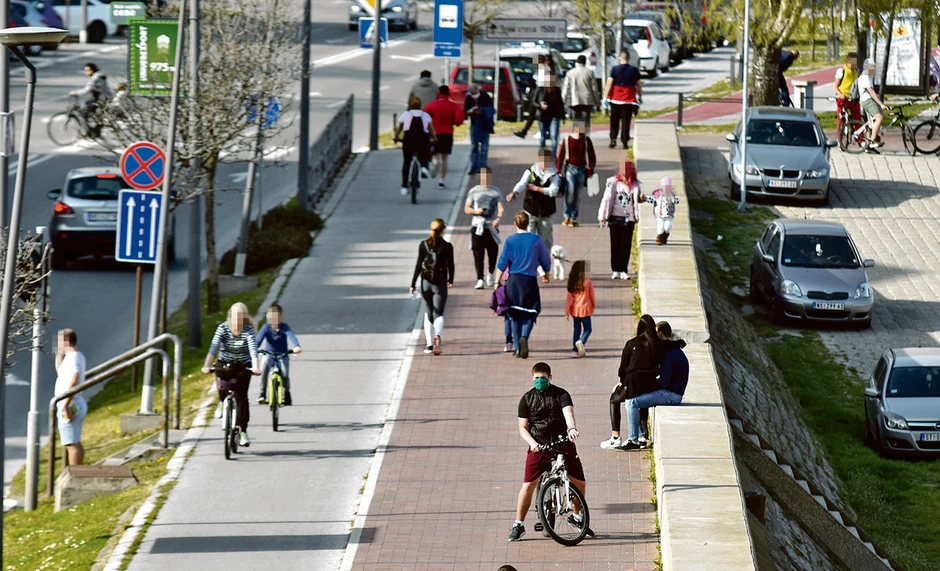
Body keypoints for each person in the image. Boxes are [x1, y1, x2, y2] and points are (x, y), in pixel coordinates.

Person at [509, 362, 593, 541]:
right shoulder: (526, 399)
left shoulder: (561, 394)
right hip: (539, 444)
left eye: (543, 378)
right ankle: (518, 524)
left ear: (550, 377)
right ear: (532, 378)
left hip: (562, 442)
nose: (540, 381)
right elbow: (523, 427)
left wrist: (571, 429)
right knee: (528, 485)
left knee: (580, 483)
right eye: (536, 378)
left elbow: (568, 413)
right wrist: (532, 443)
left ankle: (577, 516)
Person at [601, 315, 685, 450]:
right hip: (649, 383)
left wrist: (622, 382)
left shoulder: (631, 344)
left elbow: (622, 369)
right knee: (642, 399)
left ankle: (616, 437)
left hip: (633, 382)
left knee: (614, 399)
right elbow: (674, 343)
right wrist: (680, 343)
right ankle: (643, 434)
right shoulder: (658, 345)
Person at [623, 321, 689, 448]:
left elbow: (664, 382)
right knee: (636, 396)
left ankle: (633, 440)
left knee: (631, 402)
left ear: (659, 333)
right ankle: (641, 435)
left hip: (672, 394)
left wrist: (649, 385)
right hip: (674, 392)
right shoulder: (673, 350)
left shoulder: (669, 354)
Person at [494, 211, 551, 359]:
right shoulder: (536, 240)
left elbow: (502, 263)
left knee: (514, 315)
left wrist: (497, 282)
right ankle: (524, 336)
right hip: (529, 281)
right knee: (530, 313)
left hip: (513, 281)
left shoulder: (510, 240)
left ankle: (518, 348)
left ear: (515, 224)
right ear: (528, 223)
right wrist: (546, 273)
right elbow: (545, 261)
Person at [203, 302, 261, 447]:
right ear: (230, 317)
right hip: (226, 362)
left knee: (242, 397)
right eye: (235, 317)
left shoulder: (248, 330)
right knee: (221, 379)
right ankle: (222, 401)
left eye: (240, 317)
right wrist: (206, 366)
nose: (237, 320)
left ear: (244, 318)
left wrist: (256, 367)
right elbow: (213, 348)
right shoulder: (222, 328)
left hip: (243, 365)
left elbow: (253, 351)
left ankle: (242, 431)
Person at [507, 148, 561, 273]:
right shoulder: (530, 171)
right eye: (543, 161)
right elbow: (521, 183)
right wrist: (514, 192)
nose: (545, 163)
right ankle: (530, 265)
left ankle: (543, 266)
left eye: (547, 161)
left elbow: (553, 191)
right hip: (531, 210)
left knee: (545, 240)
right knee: (529, 240)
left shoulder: (554, 174)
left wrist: (537, 189)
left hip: (546, 212)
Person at [410, 218, 455, 356]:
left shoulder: (423, 245)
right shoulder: (447, 246)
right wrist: (450, 279)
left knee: (428, 312)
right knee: (439, 313)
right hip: (439, 282)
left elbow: (418, 265)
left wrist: (413, 284)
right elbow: (451, 266)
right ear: (443, 230)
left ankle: (429, 344)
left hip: (425, 283)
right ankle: (438, 336)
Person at [598, 161, 643, 280]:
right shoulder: (613, 182)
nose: (624, 176)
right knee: (615, 244)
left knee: (625, 245)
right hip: (615, 218)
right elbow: (606, 200)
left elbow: (636, 199)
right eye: (622, 173)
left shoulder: (635, 184)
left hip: (629, 219)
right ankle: (615, 269)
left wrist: (641, 199)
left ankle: (623, 269)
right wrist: (602, 217)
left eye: (626, 174)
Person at [465, 167, 504, 289]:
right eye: (483, 176)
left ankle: (491, 273)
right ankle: (480, 278)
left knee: (493, 253)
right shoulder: (474, 191)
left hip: (491, 227)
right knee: (478, 254)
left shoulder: (496, 191)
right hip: (478, 226)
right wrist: (476, 211)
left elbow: (501, 208)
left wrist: (499, 219)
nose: (485, 179)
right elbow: (467, 208)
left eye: (487, 176)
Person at [255, 303, 302, 406]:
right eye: (271, 317)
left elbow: (292, 336)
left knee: (285, 374)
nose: (274, 319)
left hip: (282, 355)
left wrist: (296, 346)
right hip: (269, 354)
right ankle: (262, 393)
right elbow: (257, 341)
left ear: (281, 316)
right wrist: (254, 349)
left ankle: (287, 393)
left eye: (276, 316)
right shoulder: (266, 328)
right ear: (268, 317)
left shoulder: (284, 327)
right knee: (263, 369)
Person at [55, 329, 88, 466]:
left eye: (59, 341)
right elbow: (60, 372)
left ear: (66, 341)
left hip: (71, 404)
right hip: (71, 402)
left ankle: (74, 473)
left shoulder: (74, 357)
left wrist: (66, 404)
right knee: (72, 440)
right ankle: (75, 471)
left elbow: (74, 379)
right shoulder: (73, 357)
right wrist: (59, 354)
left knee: (71, 443)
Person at [556, 118, 596, 227]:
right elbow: (561, 157)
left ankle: (574, 217)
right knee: (570, 192)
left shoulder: (586, 140)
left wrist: (591, 169)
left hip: (582, 169)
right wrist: (558, 171)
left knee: (577, 195)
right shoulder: (567, 140)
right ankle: (566, 215)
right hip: (569, 169)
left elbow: (592, 156)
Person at [423, 85, 465, 188]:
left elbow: (423, 116)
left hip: (434, 133)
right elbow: (459, 120)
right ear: (448, 93)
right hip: (447, 133)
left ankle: (435, 163)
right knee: (445, 157)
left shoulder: (431, 105)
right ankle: (442, 180)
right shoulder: (453, 106)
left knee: (435, 154)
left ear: (438, 93)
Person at [393, 96, 436, 196]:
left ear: (410, 105)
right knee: (424, 153)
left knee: (407, 162)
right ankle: (424, 168)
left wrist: (396, 137)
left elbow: (399, 129)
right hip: (422, 139)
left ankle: (404, 186)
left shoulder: (405, 114)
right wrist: (434, 138)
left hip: (409, 140)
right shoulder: (425, 115)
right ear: (420, 105)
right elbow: (431, 129)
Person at [604, 50, 642, 149]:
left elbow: (609, 83)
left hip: (615, 99)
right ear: (628, 58)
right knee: (626, 121)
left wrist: (605, 97)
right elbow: (638, 85)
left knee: (614, 120)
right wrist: (640, 96)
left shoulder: (614, 69)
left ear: (620, 58)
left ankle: (613, 139)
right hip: (628, 99)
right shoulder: (634, 70)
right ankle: (625, 141)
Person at [514, 55, 551, 139]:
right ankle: (524, 131)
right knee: (533, 113)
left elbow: (541, 83)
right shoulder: (541, 69)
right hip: (538, 92)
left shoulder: (545, 69)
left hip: (541, 92)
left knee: (541, 113)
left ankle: (546, 131)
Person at [565, 261, 595, 358]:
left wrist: (567, 311)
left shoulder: (572, 282)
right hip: (585, 309)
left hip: (575, 309)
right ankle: (581, 341)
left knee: (576, 329)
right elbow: (592, 296)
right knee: (588, 329)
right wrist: (593, 305)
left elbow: (569, 298)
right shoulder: (587, 282)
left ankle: (575, 350)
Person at [563, 54, 599, 129]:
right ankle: (584, 138)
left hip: (575, 100)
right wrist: (596, 100)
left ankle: (576, 137)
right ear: (585, 62)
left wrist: (563, 99)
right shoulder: (589, 72)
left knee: (576, 121)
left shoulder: (570, 73)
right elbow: (594, 88)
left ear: (577, 62)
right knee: (585, 121)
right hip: (587, 100)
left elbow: (566, 87)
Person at [465, 84, 495, 174]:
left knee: (484, 147)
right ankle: (474, 166)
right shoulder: (468, 98)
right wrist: (471, 111)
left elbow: (491, 109)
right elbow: (465, 111)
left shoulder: (485, 96)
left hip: (485, 124)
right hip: (475, 123)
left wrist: (482, 111)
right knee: (474, 146)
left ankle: (482, 166)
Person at [858, 58, 887, 151]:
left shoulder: (868, 76)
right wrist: (881, 104)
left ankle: (868, 145)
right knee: (879, 117)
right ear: (866, 66)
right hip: (867, 100)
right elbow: (871, 92)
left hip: (867, 99)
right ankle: (873, 140)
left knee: (873, 122)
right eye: (872, 66)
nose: (873, 68)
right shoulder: (865, 76)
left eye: (874, 66)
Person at [536, 72, 565, 157]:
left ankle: (553, 156)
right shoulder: (540, 90)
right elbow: (534, 102)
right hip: (542, 117)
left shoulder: (557, 90)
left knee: (554, 136)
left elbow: (560, 103)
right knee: (543, 136)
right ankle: (542, 155)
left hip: (554, 117)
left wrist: (563, 116)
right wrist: (540, 105)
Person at [646, 175, 681, 245]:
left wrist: (672, 197)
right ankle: (659, 238)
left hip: (669, 214)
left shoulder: (672, 194)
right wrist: (646, 198)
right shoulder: (658, 193)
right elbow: (653, 199)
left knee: (667, 227)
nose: (666, 189)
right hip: (660, 214)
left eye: (667, 187)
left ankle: (665, 237)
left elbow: (677, 201)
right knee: (660, 227)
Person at [833, 52, 861, 135]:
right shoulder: (842, 71)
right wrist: (840, 94)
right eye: (855, 62)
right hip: (843, 98)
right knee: (841, 117)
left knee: (857, 118)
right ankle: (840, 138)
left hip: (853, 98)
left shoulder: (855, 73)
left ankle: (860, 139)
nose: (856, 64)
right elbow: (835, 86)